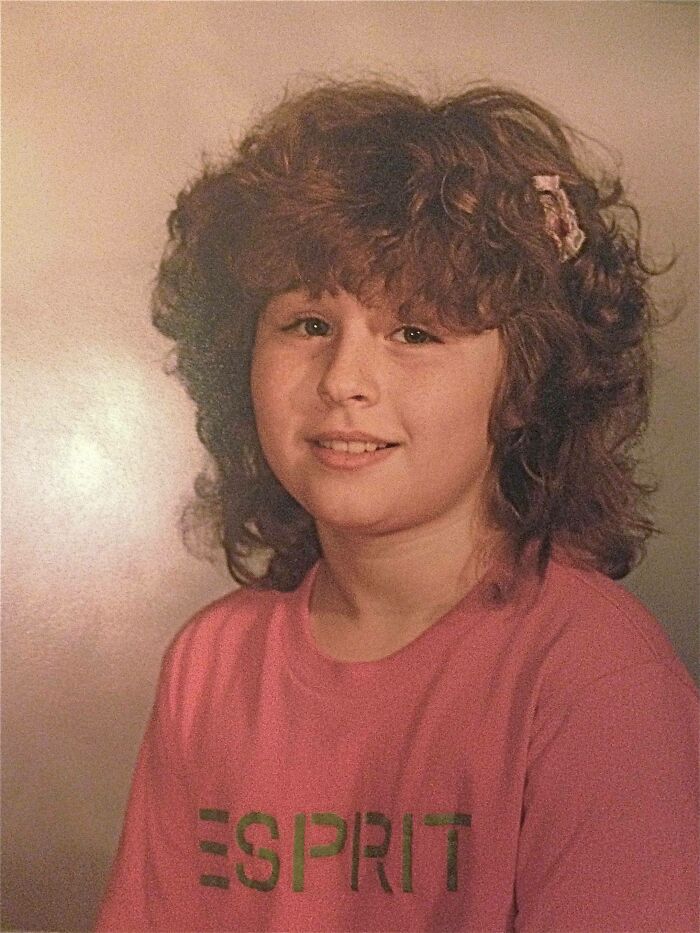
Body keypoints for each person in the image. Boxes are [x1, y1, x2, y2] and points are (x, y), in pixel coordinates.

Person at [96, 81, 698, 932]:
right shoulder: (209, 666)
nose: (344, 380)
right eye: (307, 322)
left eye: (415, 332)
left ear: (528, 379)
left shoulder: (595, 678)